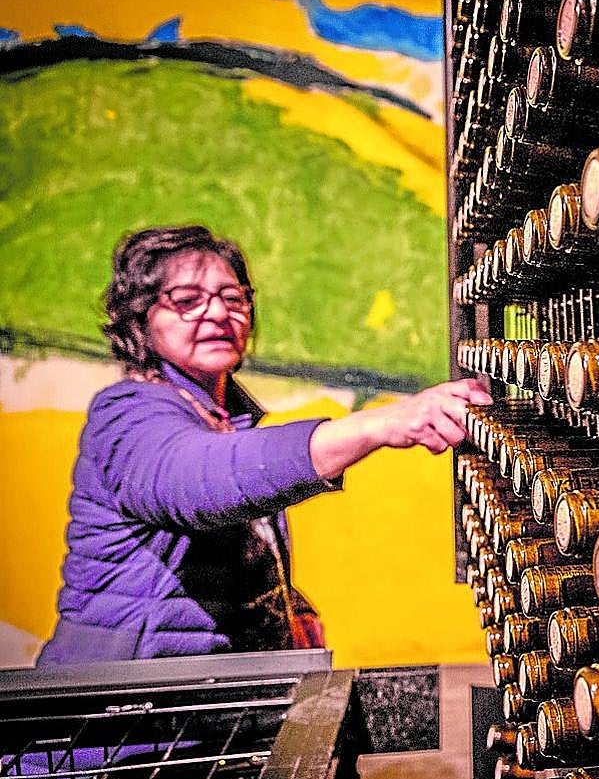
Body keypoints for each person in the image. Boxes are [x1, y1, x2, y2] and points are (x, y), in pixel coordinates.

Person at [37, 225, 491, 665]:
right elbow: (203, 481)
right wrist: (381, 424)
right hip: (125, 724)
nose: (217, 314)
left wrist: (284, 609)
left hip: (197, 706)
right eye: (187, 300)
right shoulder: (126, 413)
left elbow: (220, 554)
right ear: (141, 319)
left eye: (232, 297)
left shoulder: (226, 418)